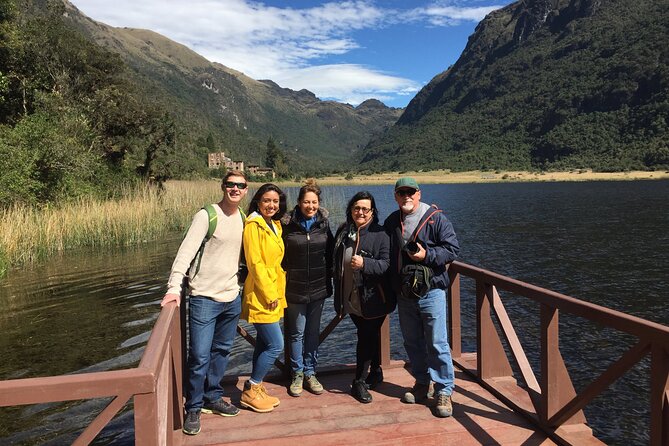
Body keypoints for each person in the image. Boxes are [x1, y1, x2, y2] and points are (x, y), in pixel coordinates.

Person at [161, 170, 248, 436]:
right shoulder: (206, 216)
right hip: (203, 298)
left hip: (231, 296)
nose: (235, 189)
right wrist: (174, 287)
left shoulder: (244, 219)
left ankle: (213, 396)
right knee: (199, 355)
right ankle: (193, 407)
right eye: (230, 184)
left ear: (246, 191)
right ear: (223, 187)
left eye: (240, 186)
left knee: (221, 351)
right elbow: (185, 253)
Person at [384, 177, 460, 418]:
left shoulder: (436, 218)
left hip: (432, 291)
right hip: (405, 294)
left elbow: (452, 249)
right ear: (396, 196)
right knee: (412, 341)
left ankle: (444, 390)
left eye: (411, 192)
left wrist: (427, 255)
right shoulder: (391, 221)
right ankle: (421, 383)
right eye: (401, 192)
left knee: (437, 342)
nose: (407, 196)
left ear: (419, 193)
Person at [333, 191, 393, 404]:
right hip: (350, 297)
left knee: (366, 337)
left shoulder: (381, 233)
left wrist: (366, 264)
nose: (360, 212)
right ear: (351, 209)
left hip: (373, 298)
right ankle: (375, 371)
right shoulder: (344, 231)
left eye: (365, 209)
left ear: (372, 212)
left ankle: (358, 381)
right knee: (368, 335)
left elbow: (387, 264)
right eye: (356, 208)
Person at [281, 179, 334, 397]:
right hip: (293, 288)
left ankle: (311, 373)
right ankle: (297, 373)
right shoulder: (286, 225)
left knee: (312, 333)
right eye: (306, 202)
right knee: (296, 334)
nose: (310, 206)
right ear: (299, 203)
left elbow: (331, 255)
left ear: (318, 203)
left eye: (314, 202)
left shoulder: (324, 224)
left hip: (319, 288)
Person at [240, 183, 288, 413]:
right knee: (276, 344)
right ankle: (252, 387)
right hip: (261, 293)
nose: (271, 205)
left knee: (263, 342)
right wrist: (269, 293)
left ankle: (255, 389)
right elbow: (255, 263)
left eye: (275, 201)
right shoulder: (253, 225)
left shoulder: (274, 224)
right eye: (267, 200)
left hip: (274, 290)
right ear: (258, 202)